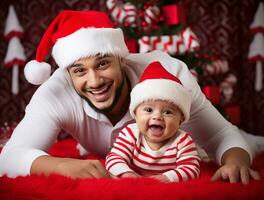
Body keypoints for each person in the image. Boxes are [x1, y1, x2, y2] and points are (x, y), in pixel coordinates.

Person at [0, 10, 262, 184]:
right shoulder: (55, 92)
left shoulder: (167, 74)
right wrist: (59, 166)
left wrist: (235, 160)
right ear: (68, 72)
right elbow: (8, 157)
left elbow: (218, 135)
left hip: (177, 151)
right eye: (79, 71)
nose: (94, 82)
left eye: (103, 64)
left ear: (121, 58)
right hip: (125, 160)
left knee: (247, 143)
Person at [105, 61, 200, 182]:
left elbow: (192, 168)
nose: (157, 117)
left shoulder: (182, 140)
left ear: (180, 120)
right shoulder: (130, 133)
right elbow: (114, 158)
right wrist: (127, 174)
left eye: (168, 112)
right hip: (135, 182)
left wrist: (167, 177)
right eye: (149, 110)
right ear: (136, 115)